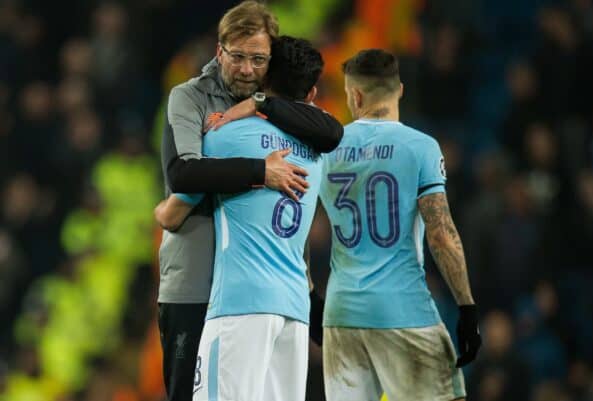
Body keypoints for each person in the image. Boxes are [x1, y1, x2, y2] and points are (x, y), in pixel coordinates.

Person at [156, 2, 342, 401]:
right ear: (218, 50)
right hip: (194, 285)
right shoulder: (190, 98)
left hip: (249, 291)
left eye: (257, 59)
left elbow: (331, 131)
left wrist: (261, 106)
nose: (245, 69)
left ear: (271, 62)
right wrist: (261, 171)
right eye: (237, 56)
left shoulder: (264, 119)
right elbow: (183, 174)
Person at [318, 49, 481, 401]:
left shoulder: (325, 151)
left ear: (356, 95)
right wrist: (466, 307)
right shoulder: (420, 147)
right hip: (403, 310)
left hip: (341, 313)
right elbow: (440, 233)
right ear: (400, 90)